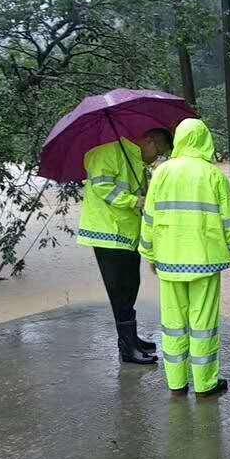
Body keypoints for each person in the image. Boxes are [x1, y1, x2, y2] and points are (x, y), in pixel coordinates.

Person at [138, 118, 230, 397]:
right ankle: (205, 383)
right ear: (204, 140)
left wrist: (149, 253)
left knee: (173, 324)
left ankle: (176, 383)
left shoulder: (161, 173)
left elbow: (149, 217)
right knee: (203, 325)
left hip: (168, 261)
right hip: (205, 262)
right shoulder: (212, 175)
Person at [78, 127, 172, 365]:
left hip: (127, 232)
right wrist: (135, 200)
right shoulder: (108, 152)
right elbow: (103, 187)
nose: (157, 158)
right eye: (159, 152)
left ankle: (130, 339)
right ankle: (127, 349)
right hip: (107, 232)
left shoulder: (134, 158)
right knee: (119, 290)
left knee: (131, 285)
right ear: (149, 142)